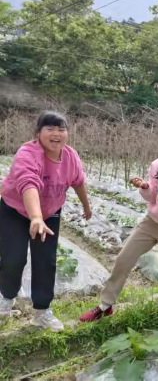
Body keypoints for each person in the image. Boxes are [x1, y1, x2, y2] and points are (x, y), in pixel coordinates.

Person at [80, 122, 158, 331]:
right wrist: (145, 187)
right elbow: (153, 196)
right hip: (152, 222)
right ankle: (105, 305)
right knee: (123, 259)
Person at [0, 111, 91, 331]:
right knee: (13, 259)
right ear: (38, 133)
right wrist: (35, 217)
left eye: (61, 129)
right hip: (15, 210)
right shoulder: (28, 153)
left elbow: (78, 181)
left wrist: (86, 206)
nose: (56, 134)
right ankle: (6, 300)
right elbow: (28, 183)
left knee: (46, 261)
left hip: (50, 212)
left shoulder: (70, 156)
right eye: (49, 128)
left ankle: (42, 312)